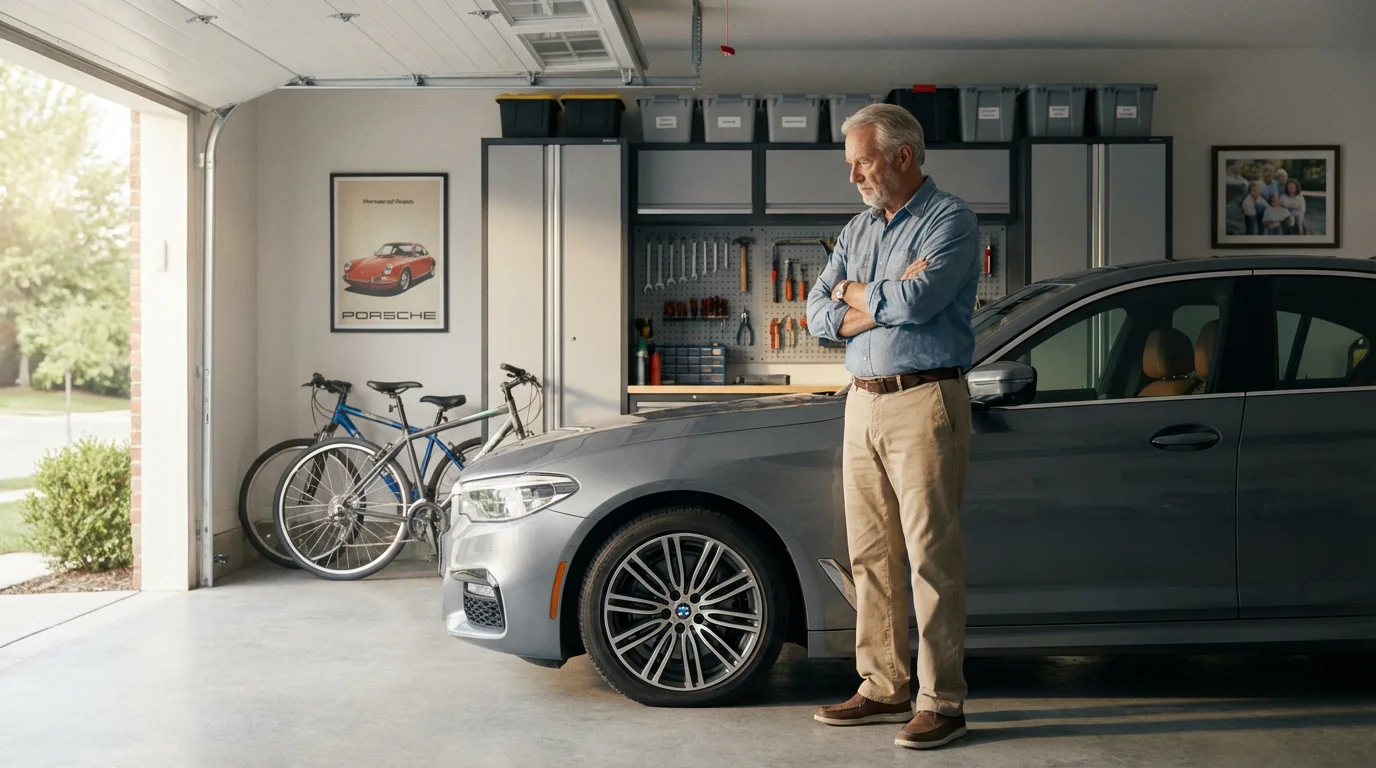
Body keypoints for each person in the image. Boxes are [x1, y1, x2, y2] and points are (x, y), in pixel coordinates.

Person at [805, 103, 980, 751]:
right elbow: (814, 314)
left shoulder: (951, 220)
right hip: (862, 402)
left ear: (902, 156)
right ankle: (884, 687)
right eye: (850, 164)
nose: (853, 175)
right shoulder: (857, 229)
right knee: (870, 556)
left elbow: (919, 302)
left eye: (863, 161)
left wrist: (854, 293)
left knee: (932, 556)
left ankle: (944, 701)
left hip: (924, 401)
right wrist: (870, 295)